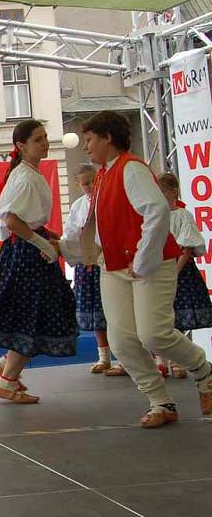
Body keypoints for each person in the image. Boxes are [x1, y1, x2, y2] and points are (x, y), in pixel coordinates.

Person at [59, 110, 212, 428]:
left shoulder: (131, 168)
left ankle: (205, 372)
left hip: (147, 265)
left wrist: (143, 259)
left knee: (153, 334)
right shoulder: (104, 174)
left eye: (89, 140)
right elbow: (97, 228)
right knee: (123, 341)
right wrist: (68, 250)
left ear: (107, 138)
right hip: (114, 266)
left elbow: (156, 211)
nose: (85, 147)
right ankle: (161, 402)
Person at [0, 119, 78, 403]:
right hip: (26, 253)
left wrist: (51, 238)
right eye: (38, 139)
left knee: (34, 314)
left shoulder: (28, 173)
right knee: (33, 315)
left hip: (26, 249)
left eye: (45, 137)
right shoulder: (25, 177)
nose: (45, 142)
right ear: (21, 146)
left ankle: (7, 366)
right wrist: (44, 243)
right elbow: (12, 220)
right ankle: (7, 380)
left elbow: (22, 220)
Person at [62, 164, 125, 375]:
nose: (89, 186)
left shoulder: (107, 199)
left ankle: (124, 358)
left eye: (92, 181)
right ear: (77, 185)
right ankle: (103, 357)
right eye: (85, 183)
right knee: (97, 313)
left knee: (116, 312)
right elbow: (69, 234)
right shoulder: (78, 206)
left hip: (107, 260)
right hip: (86, 264)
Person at [155, 171, 212, 378]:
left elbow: (187, 248)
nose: (159, 195)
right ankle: (161, 361)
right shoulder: (153, 216)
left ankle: (179, 360)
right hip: (159, 270)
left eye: (162, 191)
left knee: (179, 317)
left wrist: (174, 272)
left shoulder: (182, 215)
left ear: (173, 191)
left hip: (179, 270)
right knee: (161, 318)